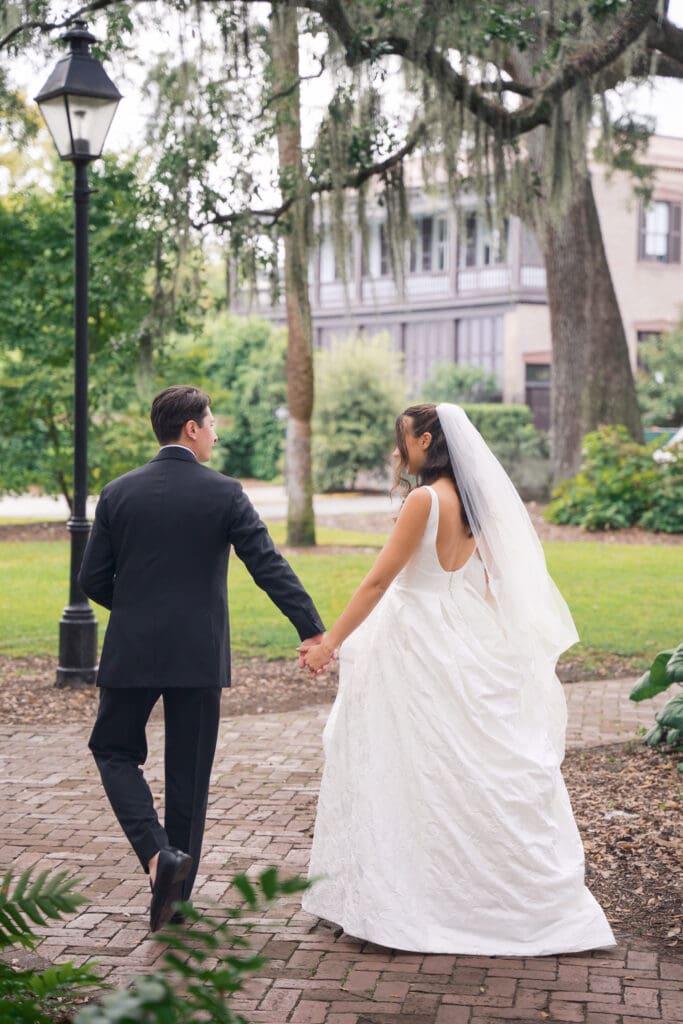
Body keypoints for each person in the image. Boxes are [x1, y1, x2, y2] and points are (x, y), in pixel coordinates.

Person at [301, 403, 615, 956]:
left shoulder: (424, 500)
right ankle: (470, 891)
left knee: (405, 766)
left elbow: (379, 582)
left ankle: (411, 896)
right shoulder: (473, 503)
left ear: (427, 440)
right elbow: (493, 586)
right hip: (457, 632)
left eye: (404, 442)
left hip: (411, 640)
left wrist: (331, 643)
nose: (398, 453)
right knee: (456, 767)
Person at [80, 385, 325, 931]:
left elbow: (92, 579)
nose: (216, 431)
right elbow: (268, 565)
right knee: (189, 777)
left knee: (114, 751)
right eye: (211, 422)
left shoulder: (118, 493)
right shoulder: (225, 492)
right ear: (191, 428)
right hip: (197, 654)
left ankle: (155, 855)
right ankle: (176, 899)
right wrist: (311, 628)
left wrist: (140, 607)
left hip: (133, 649)